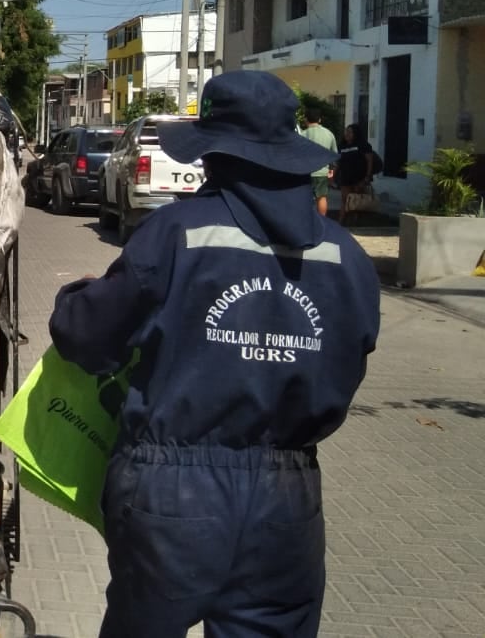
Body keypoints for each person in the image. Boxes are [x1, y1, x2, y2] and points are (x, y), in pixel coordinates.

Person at [47, 70, 379, 638]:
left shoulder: (177, 232)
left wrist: (77, 296)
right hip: (287, 496)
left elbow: (86, 336)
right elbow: (349, 360)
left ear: (216, 154)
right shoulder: (346, 257)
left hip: (173, 489)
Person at [332, 123, 377, 226]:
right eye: (346, 132)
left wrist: (367, 177)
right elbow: (337, 163)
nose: (347, 134)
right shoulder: (341, 146)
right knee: (345, 200)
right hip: (346, 178)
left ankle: (355, 222)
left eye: (350, 132)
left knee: (357, 202)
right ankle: (341, 222)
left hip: (360, 178)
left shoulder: (363, 145)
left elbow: (370, 161)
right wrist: (332, 177)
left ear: (355, 133)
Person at [300, 109, 338, 218]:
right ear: (320, 119)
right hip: (322, 172)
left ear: (306, 119)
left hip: (306, 173)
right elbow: (333, 155)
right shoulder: (329, 134)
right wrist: (332, 170)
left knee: (305, 199)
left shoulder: (303, 134)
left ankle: (308, 221)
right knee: (322, 197)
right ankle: (322, 221)